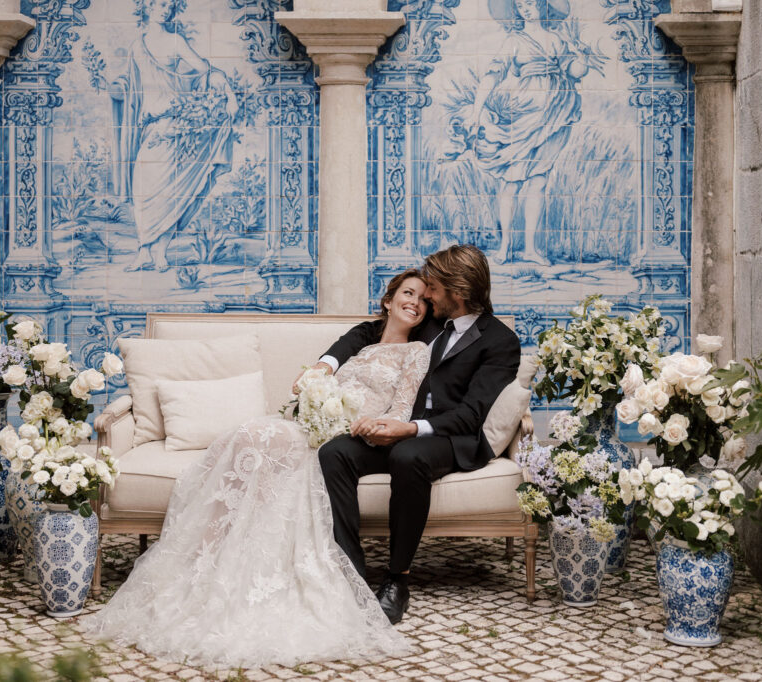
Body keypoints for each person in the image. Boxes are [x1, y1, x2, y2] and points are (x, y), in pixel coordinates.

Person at [84, 270, 431, 666]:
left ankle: (222, 565)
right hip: (312, 424)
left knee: (259, 438)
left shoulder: (418, 351)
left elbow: (401, 411)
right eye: (408, 293)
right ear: (388, 301)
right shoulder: (362, 342)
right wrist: (315, 387)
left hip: (343, 435)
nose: (415, 303)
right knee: (248, 435)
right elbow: (329, 364)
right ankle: (200, 563)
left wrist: (365, 424)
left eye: (423, 299)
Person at [314, 245, 521, 625]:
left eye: (434, 289)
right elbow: (370, 330)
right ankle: (352, 573)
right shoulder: (433, 323)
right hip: (402, 429)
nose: (426, 295)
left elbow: (472, 414)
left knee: (407, 456)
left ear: (457, 291)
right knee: (335, 452)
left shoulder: (500, 342)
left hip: (452, 439)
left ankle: (397, 580)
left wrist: (408, 429)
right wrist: (325, 365)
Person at [448, 0, 603, 265]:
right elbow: (492, 76)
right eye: (521, 5)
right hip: (522, 117)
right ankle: (505, 246)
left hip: (556, 114)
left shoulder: (557, 40)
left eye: (531, 3)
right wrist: (477, 110)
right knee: (511, 180)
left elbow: (574, 72)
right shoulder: (514, 41)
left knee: (539, 180)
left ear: (543, 6)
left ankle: (530, 249)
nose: (526, 8)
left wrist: (583, 57)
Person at [111, 0, 238, 272]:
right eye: (160, 4)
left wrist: (227, 92)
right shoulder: (137, 47)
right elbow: (133, 86)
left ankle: (160, 254)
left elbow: (206, 70)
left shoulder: (176, 41)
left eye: (170, 5)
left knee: (169, 192)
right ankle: (144, 251)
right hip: (150, 127)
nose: (165, 9)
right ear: (148, 6)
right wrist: (118, 87)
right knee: (143, 190)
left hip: (174, 125)